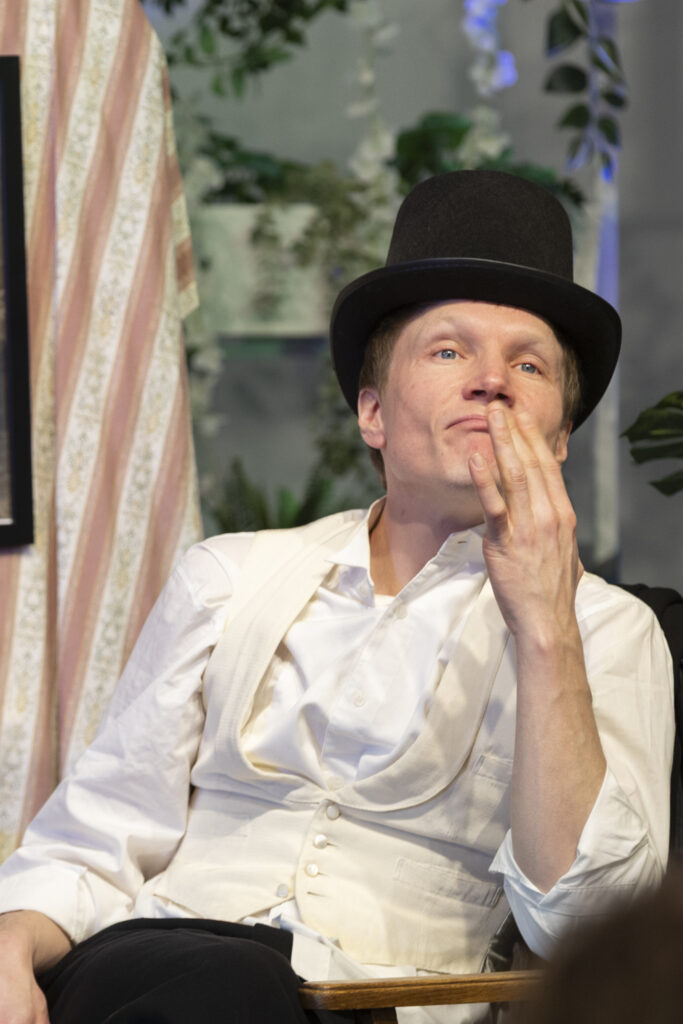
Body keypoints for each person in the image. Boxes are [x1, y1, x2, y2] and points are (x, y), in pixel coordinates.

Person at [0, 170, 674, 1024]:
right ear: (372, 413)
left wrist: (544, 625)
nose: (491, 380)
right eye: (448, 351)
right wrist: (11, 944)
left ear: (560, 436)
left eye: (528, 364)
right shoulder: (228, 576)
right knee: (225, 985)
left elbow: (590, 926)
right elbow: (96, 838)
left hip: (381, 1004)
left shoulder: (610, 631)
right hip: (154, 967)